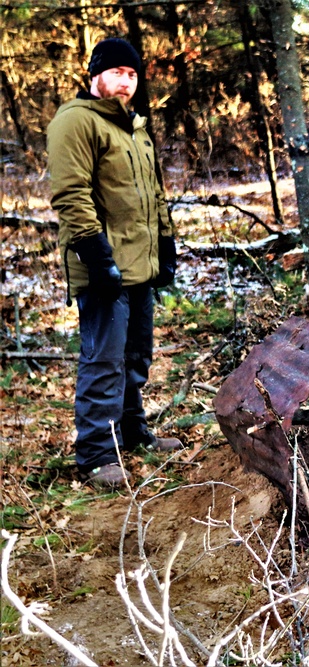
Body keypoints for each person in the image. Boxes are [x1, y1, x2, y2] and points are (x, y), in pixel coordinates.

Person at [48, 37, 182, 489]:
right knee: (103, 359)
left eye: (132, 74)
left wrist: (166, 245)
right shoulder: (75, 121)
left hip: (139, 263)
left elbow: (153, 194)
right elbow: (71, 195)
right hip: (103, 265)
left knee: (135, 355)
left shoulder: (135, 127)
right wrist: (96, 255)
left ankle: (131, 431)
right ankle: (95, 454)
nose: (126, 81)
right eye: (117, 72)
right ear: (95, 75)